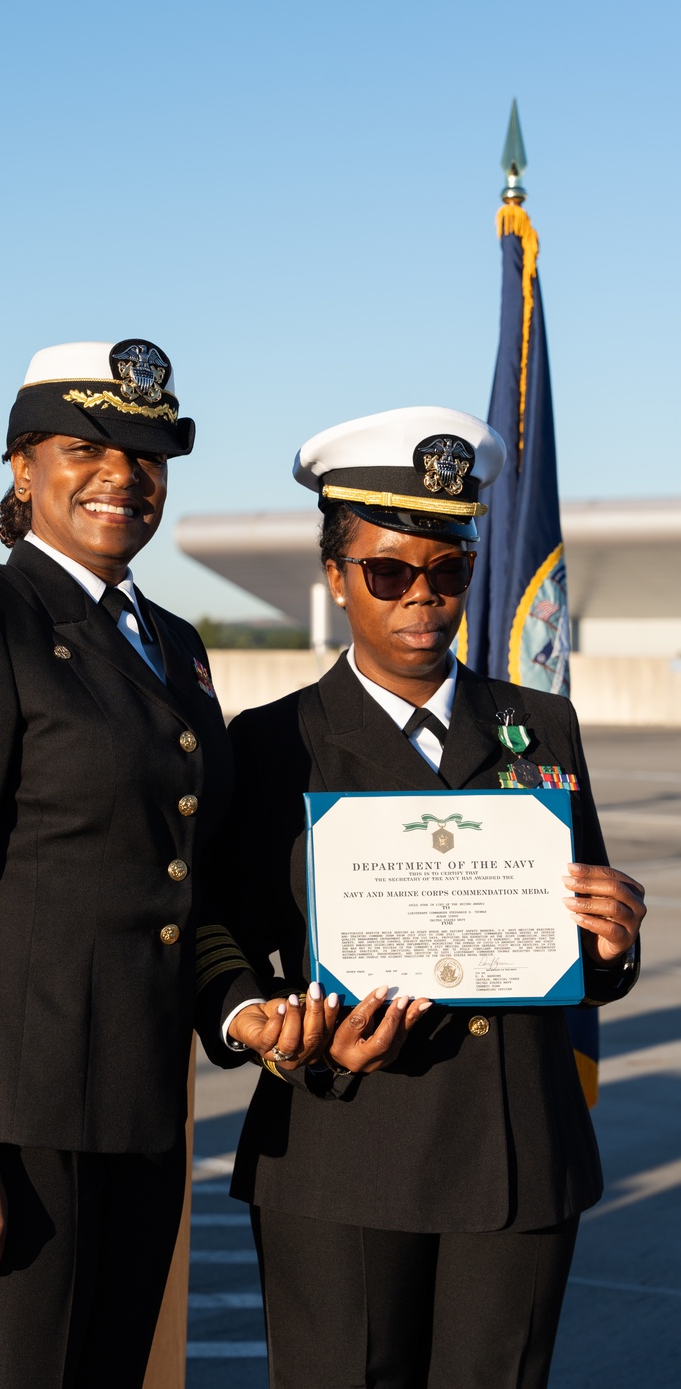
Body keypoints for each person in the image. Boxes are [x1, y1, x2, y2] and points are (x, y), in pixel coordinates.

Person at [0, 339, 317, 1389]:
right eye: (86, 447)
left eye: (148, 456)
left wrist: (239, 1004)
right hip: (8, 1121)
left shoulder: (168, 640)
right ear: (22, 467)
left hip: (136, 1105)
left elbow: (176, 880)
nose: (122, 475)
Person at [197, 406, 645, 1389]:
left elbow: (586, 953)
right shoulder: (272, 744)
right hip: (340, 1145)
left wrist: (610, 946)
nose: (422, 600)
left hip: (516, 1153)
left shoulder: (540, 723)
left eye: (448, 573)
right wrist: (262, 1026)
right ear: (335, 576)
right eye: (389, 573)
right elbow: (212, 933)